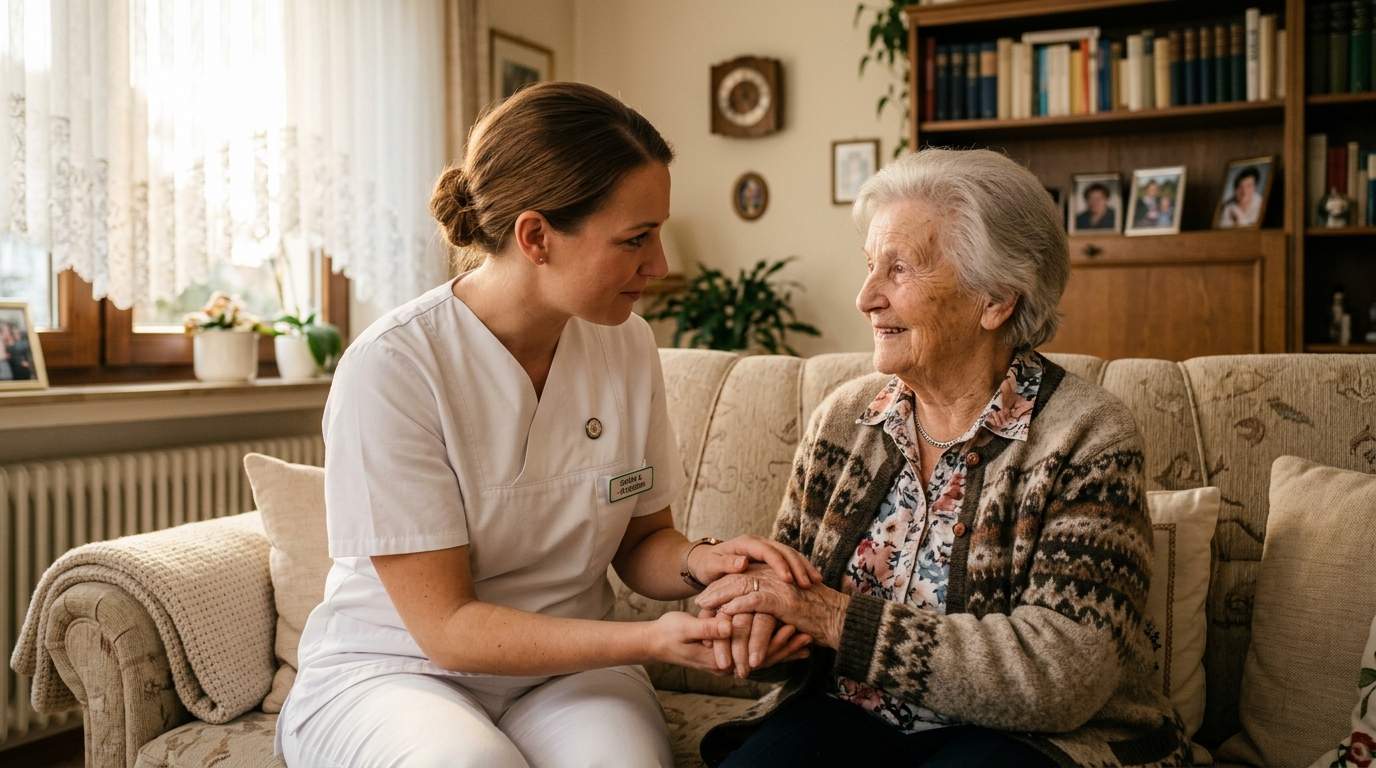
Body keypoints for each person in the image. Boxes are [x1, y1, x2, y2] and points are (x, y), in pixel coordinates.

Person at [276, 82, 817, 768]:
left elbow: (642, 538)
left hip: (570, 672)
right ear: (536, 237)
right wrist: (652, 642)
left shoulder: (626, 344)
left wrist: (700, 561)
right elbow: (447, 629)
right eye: (635, 239)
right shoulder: (395, 367)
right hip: (398, 669)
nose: (660, 265)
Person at [694, 148, 1189, 768]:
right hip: (849, 716)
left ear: (996, 299)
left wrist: (830, 618)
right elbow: (788, 596)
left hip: (1033, 739)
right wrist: (759, 628)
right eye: (870, 266)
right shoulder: (844, 421)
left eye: (898, 270)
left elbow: (1062, 679)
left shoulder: (1087, 437)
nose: (865, 297)